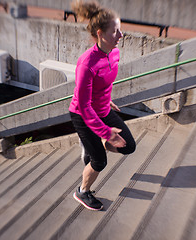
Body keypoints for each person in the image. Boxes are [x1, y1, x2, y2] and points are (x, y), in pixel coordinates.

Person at [69, 0, 136, 211]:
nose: (121, 35)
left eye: (120, 29)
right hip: (82, 114)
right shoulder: (86, 63)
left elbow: (104, 83)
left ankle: (92, 148)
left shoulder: (114, 53)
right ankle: (82, 192)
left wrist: (106, 100)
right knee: (100, 162)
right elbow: (83, 104)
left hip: (103, 108)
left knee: (129, 146)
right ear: (100, 33)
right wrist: (107, 132)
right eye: (115, 31)